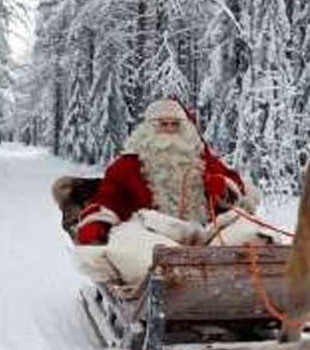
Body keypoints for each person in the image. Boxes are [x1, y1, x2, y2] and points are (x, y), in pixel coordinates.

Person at [73, 97, 273, 284]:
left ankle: (262, 279)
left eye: (175, 124)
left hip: (203, 237)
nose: (169, 130)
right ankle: (173, 278)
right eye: (163, 124)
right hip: (150, 233)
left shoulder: (201, 159)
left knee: (250, 232)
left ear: (185, 128)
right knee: (137, 247)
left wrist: (223, 188)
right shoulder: (128, 164)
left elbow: (236, 187)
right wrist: (97, 223)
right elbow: (109, 197)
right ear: (149, 129)